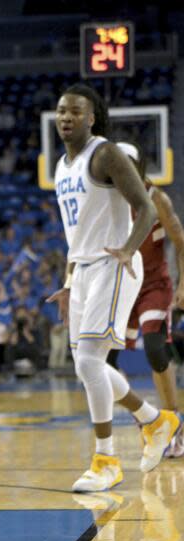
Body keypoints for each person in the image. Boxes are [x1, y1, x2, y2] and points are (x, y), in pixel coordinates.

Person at [45, 84, 180, 493]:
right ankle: (155, 421)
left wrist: (127, 248)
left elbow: (144, 205)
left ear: (92, 117)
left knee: (89, 363)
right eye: (62, 111)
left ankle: (107, 459)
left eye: (75, 111)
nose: (66, 117)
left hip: (114, 263)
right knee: (89, 368)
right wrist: (69, 282)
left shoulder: (105, 153)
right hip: (83, 269)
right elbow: (76, 234)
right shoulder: (62, 167)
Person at [105, 142, 184, 458]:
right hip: (121, 289)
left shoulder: (157, 199)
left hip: (154, 286)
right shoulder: (108, 201)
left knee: (154, 348)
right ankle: (148, 419)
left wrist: (182, 285)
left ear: (139, 167)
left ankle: (175, 423)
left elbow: (181, 243)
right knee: (105, 363)